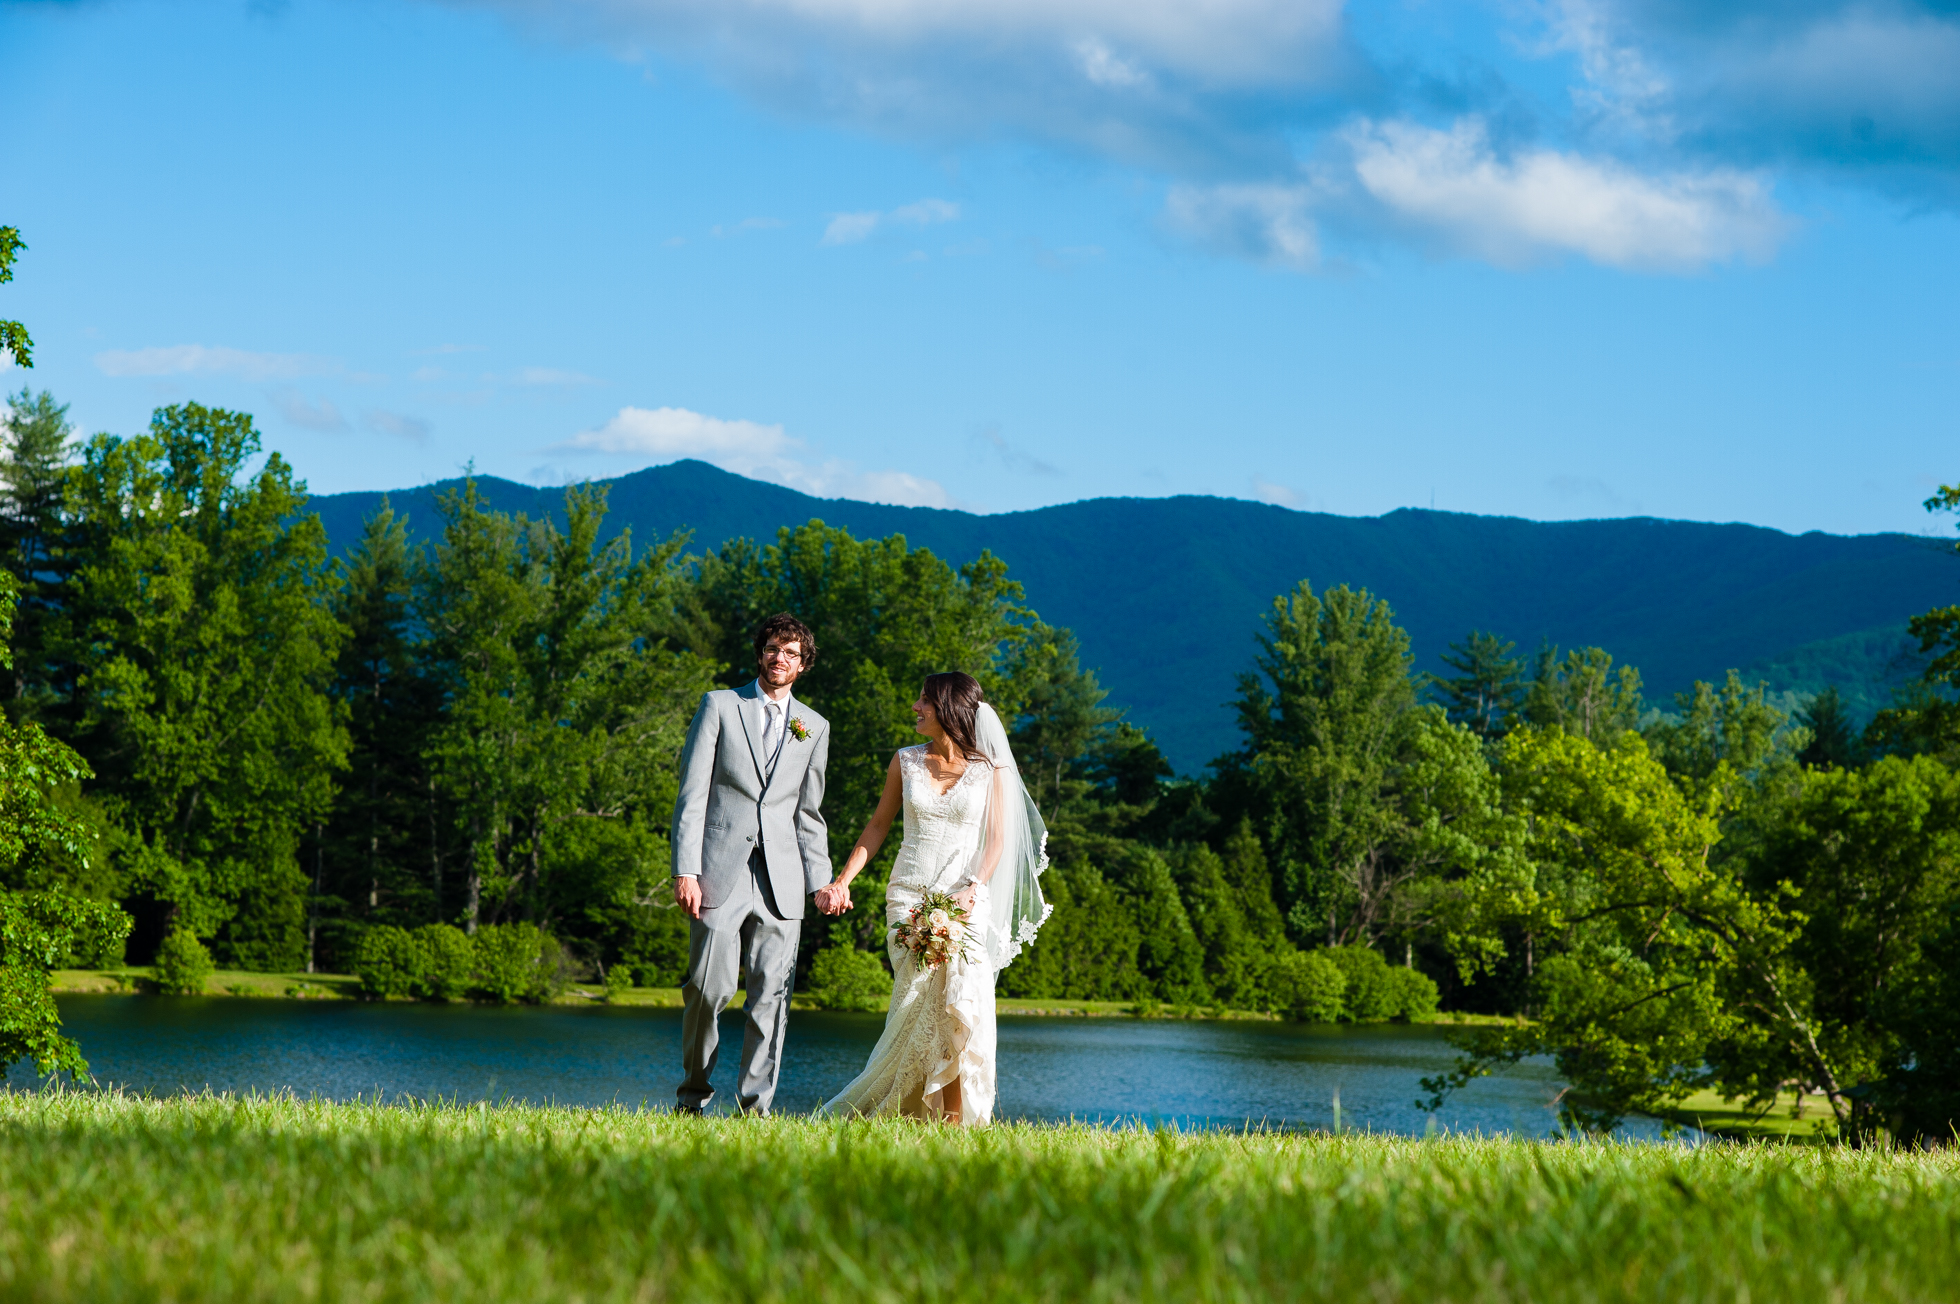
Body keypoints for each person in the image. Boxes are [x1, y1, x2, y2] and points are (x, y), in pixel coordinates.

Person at [819, 671, 1051, 1125]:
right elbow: (878, 825)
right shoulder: (904, 761)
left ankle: (954, 1120)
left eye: (924, 700)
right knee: (915, 1004)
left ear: (948, 708)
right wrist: (843, 880)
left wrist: (974, 887)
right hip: (908, 894)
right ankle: (899, 1109)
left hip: (966, 897)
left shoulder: (989, 770)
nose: (915, 707)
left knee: (962, 1002)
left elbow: (998, 839)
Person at [670, 612, 846, 1115]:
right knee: (707, 989)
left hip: (783, 880)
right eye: (772, 648)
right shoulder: (721, 706)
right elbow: (692, 795)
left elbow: (809, 813)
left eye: (791, 653)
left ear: (803, 664)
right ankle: (692, 1096)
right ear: (760, 653)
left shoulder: (814, 726)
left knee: (771, 997)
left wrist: (821, 881)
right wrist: (686, 869)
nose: (779, 659)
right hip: (717, 873)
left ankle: (756, 1110)